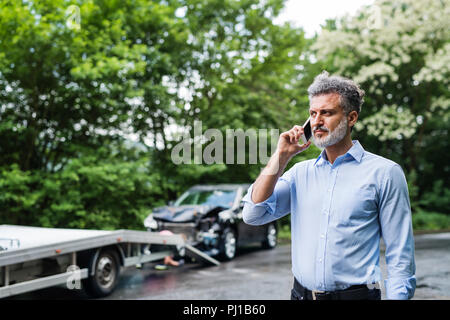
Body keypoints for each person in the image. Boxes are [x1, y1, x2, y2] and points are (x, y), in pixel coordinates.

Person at [242, 71, 416, 300]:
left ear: (351, 118)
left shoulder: (385, 173)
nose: (317, 121)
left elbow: (400, 254)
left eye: (327, 113)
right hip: (301, 296)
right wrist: (281, 156)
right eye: (313, 114)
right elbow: (253, 214)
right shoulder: (299, 174)